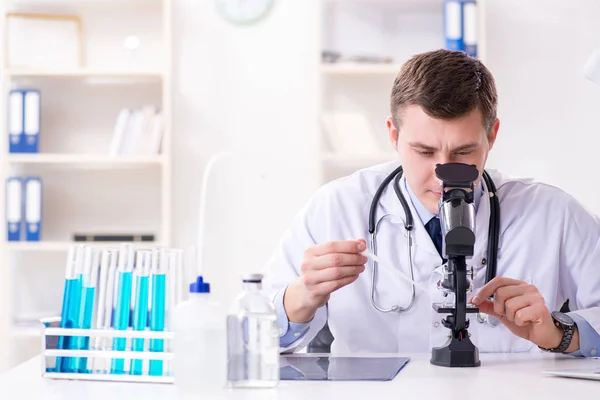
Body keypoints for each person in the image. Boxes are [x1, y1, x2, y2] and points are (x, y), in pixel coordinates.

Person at [262, 49, 600, 357]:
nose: (442, 176)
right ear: (393, 135)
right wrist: (301, 297)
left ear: (492, 136)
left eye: (463, 152)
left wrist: (559, 332)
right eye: (424, 152)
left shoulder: (552, 213)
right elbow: (256, 336)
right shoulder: (338, 207)